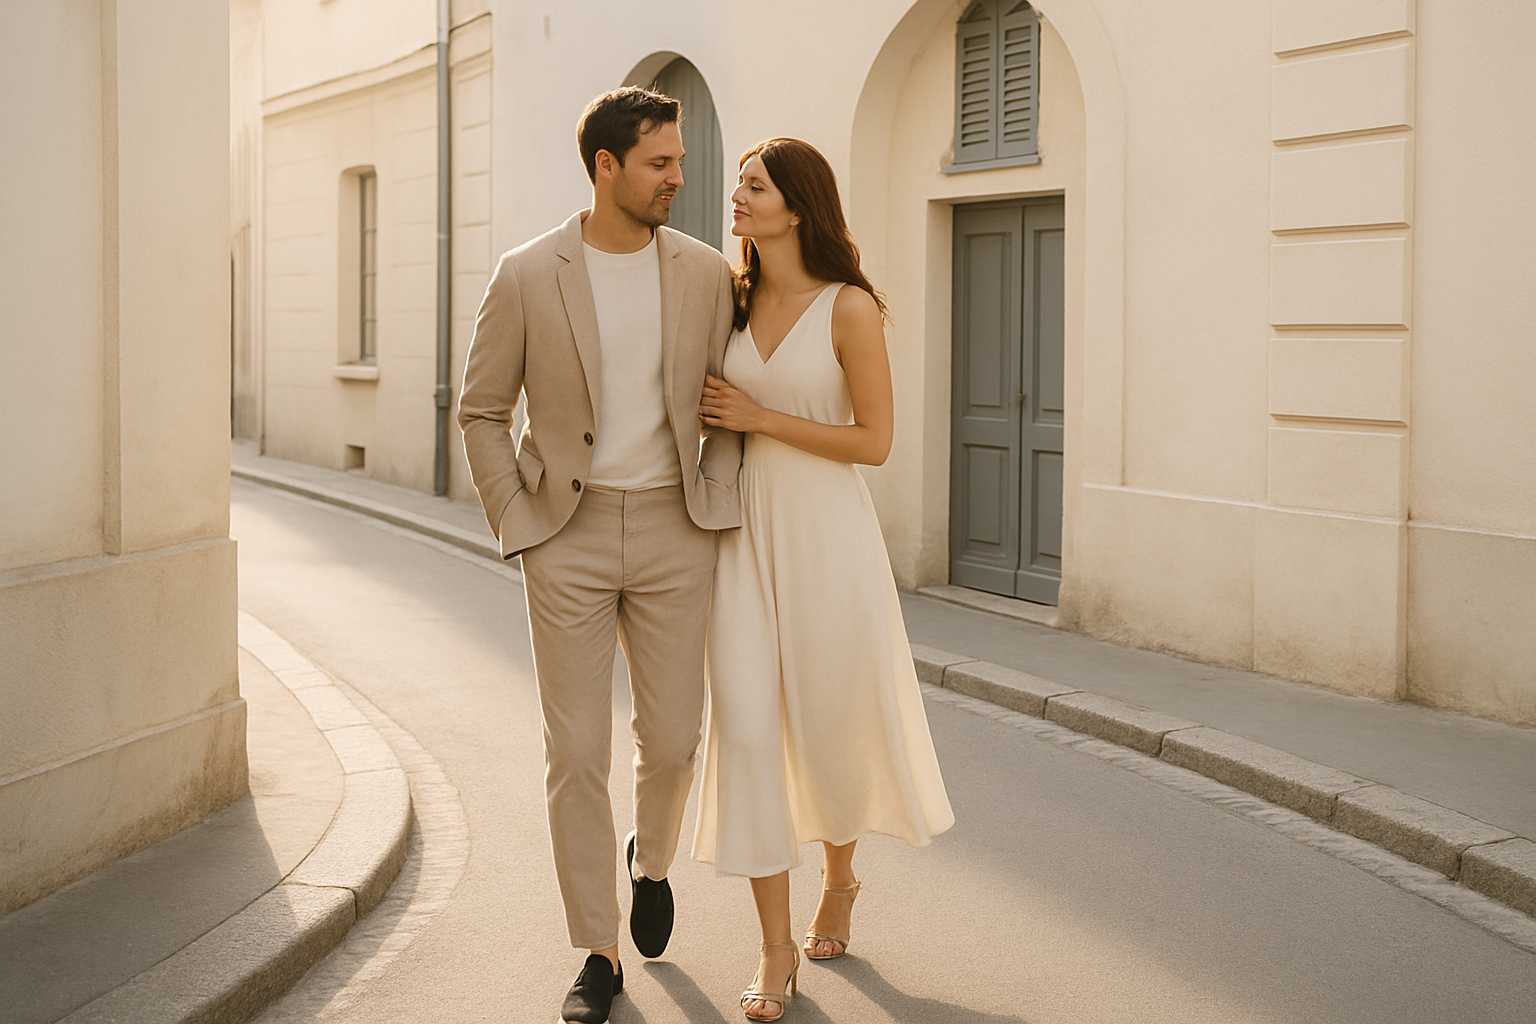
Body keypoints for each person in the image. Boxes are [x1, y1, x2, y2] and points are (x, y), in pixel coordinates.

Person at [457, 87, 740, 1024]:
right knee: (575, 750)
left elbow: (726, 399)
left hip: (673, 526)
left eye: (680, 160)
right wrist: (518, 515)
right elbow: (482, 408)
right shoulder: (530, 271)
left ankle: (649, 861)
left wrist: (717, 489)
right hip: (565, 535)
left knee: (673, 739)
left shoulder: (704, 274)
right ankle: (598, 951)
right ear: (607, 166)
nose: (679, 178)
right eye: (661, 163)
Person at [694, 138, 955, 1022]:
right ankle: (774, 947)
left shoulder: (848, 308)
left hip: (828, 538)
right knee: (750, 731)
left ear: (797, 206)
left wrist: (762, 415)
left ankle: (839, 878)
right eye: (737, 185)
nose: (736, 198)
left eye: (753, 187)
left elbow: (874, 442)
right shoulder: (723, 301)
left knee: (831, 721)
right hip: (740, 540)